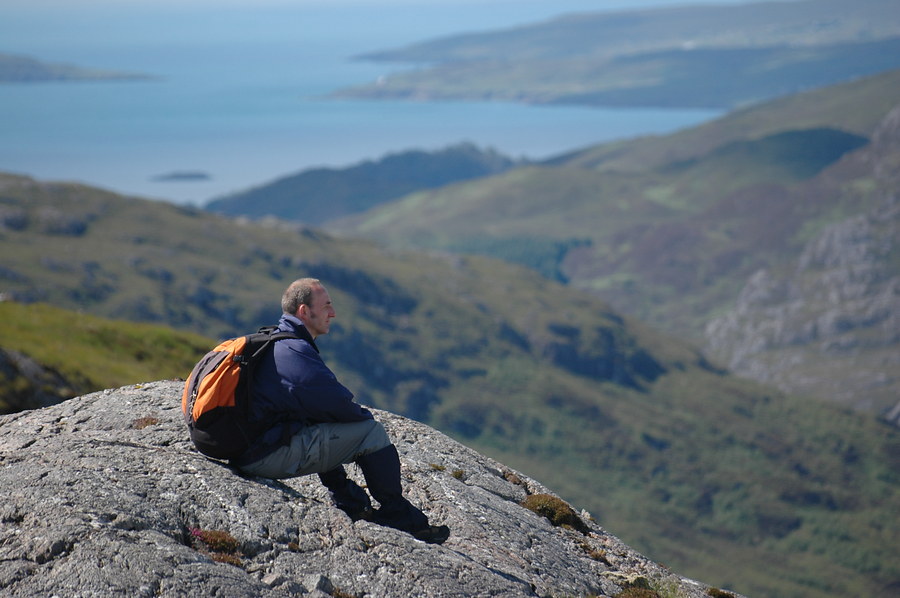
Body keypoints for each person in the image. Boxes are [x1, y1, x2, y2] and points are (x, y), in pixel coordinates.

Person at [231, 277, 450, 544]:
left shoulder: (277, 341)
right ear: (304, 311)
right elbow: (338, 406)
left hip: (247, 448)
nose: (332, 313)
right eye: (326, 306)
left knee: (319, 423)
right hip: (261, 456)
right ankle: (398, 515)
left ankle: (351, 501)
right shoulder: (294, 352)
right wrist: (363, 421)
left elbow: (318, 411)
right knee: (370, 432)